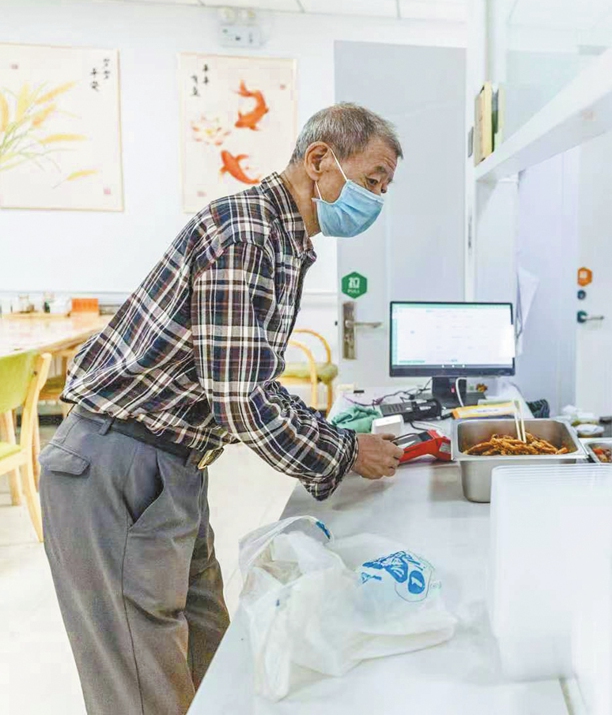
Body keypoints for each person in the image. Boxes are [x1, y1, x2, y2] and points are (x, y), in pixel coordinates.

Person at [38, 103, 408, 715]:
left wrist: (328, 435)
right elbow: (239, 400)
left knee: (211, 660)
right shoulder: (246, 233)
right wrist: (342, 452)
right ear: (320, 161)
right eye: (371, 181)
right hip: (116, 464)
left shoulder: (282, 242)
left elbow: (247, 380)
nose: (375, 201)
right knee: (142, 683)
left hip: (172, 466)